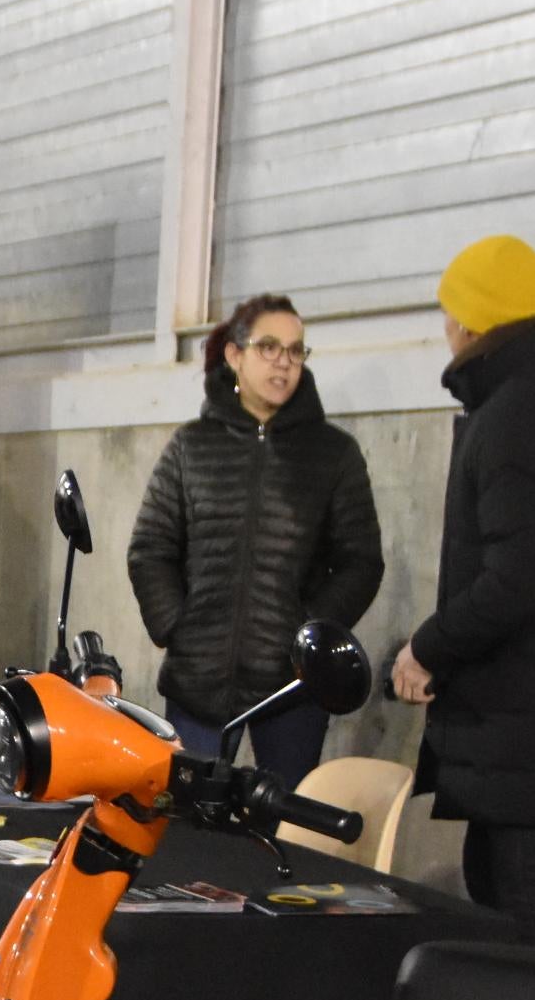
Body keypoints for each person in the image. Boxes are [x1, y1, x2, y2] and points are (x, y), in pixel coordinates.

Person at [386, 236, 535, 948]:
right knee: (501, 901)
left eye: (450, 312)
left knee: (529, 929)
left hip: (530, 730)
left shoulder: (514, 420)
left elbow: (516, 581)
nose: (446, 327)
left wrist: (426, 649)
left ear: (473, 322)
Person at [126, 293, 384, 791]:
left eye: (295, 350)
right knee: (189, 826)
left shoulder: (334, 454)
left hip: (289, 688)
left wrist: (307, 633)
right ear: (234, 355)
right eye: (268, 347)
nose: (283, 362)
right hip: (197, 683)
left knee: (282, 833)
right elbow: (151, 547)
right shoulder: (190, 447)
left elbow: (361, 561)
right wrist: (176, 626)